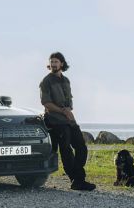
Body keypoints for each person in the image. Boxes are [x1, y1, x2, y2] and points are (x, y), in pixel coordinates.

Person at [39, 52, 96, 191]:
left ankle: (78, 178)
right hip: (55, 121)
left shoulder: (66, 81)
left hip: (69, 120)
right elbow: (46, 103)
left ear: (62, 64)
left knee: (81, 147)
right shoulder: (46, 81)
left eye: (56, 62)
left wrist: (68, 110)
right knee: (66, 150)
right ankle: (77, 180)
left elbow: (70, 101)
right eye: (51, 62)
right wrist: (63, 111)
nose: (53, 64)